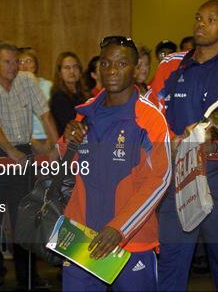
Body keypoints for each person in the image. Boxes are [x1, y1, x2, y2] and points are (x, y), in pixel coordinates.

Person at [149, 0, 218, 291]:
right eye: (199, 17)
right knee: (171, 259)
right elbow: (151, 113)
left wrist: (215, 148)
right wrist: (167, 141)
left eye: (211, 19)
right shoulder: (170, 65)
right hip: (177, 174)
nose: (201, 23)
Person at [62, 36, 171, 291]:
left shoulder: (150, 119)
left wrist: (119, 228)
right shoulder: (84, 112)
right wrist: (67, 141)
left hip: (130, 242)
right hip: (82, 238)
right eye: (105, 63)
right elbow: (65, 170)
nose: (111, 70)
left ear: (135, 69)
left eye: (121, 64)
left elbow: (160, 180)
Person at [0, 41, 59, 289]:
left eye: (16, 61)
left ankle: (28, 275)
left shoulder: (27, 80)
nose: (14, 67)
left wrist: (56, 147)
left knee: (26, 215)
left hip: (23, 150)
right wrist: (9, 151)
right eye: (8, 62)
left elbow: (44, 113)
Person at [18, 47, 53, 153]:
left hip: (50, 139)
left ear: (35, 65)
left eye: (29, 61)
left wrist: (51, 140)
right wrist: (31, 141)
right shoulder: (13, 91)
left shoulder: (49, 86)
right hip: (26, 142)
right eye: (20, 62)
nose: (25, 66)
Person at [50, 51, 89, 136]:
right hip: (70, 143)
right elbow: (72, 124)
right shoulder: (58, 97)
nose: (72, 71)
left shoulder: (86, 93)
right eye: (67, 68)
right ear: (60, 73)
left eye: (75, 67)